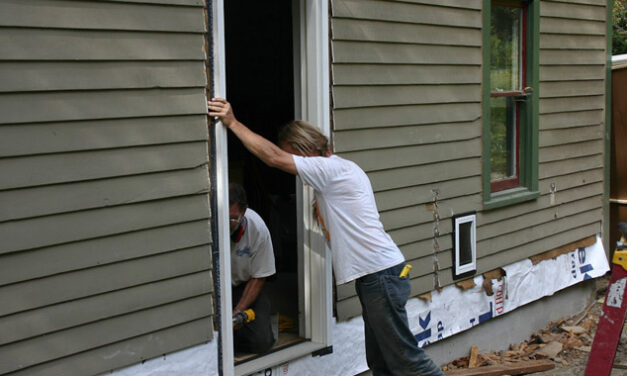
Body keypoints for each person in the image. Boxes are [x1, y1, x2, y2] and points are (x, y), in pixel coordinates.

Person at [209, 98, 444, 375]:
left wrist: (232, 122)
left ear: (304, 150)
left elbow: (273, 157)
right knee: (381, 362)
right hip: (377, 277)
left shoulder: (331, 170)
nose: (294, 168)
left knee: (407, 360)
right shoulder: (338, 174)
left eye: (294, 158)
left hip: (381, 277)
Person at [228, 183, 276, 354]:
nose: (228, 223)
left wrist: (237, 312)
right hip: (216, 291)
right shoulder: (209, 223)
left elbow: (259, 277)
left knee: (261, 342)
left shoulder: (257, 228)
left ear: (244, 210)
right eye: (224, 217)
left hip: (244, 288)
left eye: (233, 218)